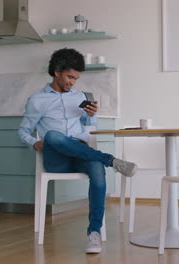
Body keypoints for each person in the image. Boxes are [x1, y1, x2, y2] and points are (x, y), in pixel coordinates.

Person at [18, 48, 137, 254]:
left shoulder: (80, 96)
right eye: (69, 76)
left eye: (76, 78)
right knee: (53, 135)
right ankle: (111, 160)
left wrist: (91, 115)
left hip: (81, 152)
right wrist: (33, 143)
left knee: (97, 171)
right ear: (57, 71)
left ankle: (94, 233)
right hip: (56, 158)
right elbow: (23, 131)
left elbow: (88, 127)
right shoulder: (37, 100)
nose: (72, 82)